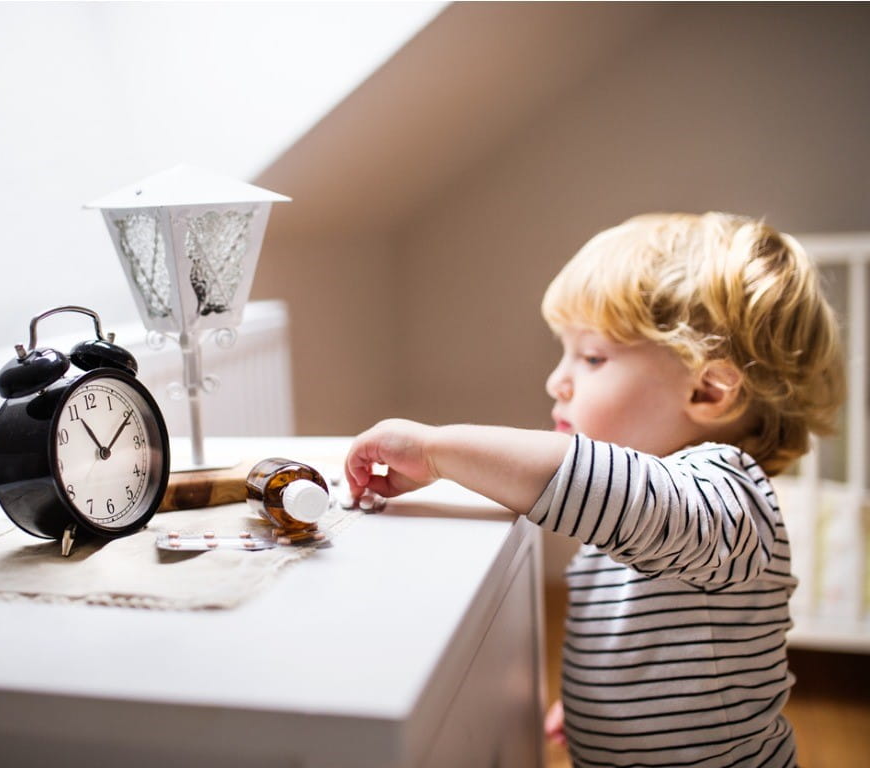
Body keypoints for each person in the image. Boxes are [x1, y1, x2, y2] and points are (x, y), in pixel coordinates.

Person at [344, 212, 843, 767]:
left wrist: (440, 451)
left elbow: (601, 485)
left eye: (592, 357)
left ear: (708, 389)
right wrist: (596, 707)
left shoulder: (730, 496)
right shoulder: (637, 505)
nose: (556, 380)